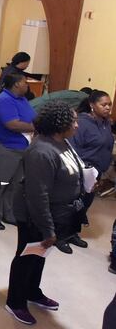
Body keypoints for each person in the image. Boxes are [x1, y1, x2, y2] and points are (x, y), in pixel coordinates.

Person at [5, 101, 83, 326]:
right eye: (74, 120)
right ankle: (15, 302)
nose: (77, 125)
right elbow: (38, 196)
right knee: (27, 257)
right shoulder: (41, 151)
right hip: (35, 214)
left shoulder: (63, 142)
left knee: (39, 256)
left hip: (56, 212)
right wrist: (48, 229)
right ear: (60, 124)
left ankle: (32, 291)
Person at [0, 73, 36, 231]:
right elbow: (12, 124)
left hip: (22, 147)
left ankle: (9, 213)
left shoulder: (22, 99)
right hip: (7, 147)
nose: (27, 85)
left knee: (14, 184)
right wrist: (36, 127)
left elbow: (31, 117)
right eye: (25, 82)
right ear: (16, 85)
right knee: (0, 182)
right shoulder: (4, 100)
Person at [66, 90, 113, 252]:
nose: (108, 108)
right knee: (72, 204)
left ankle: (72, 232)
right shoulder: (82, 123)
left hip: (96, 172)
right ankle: (60, 235)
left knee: (85, 204)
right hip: (81, 171)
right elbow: (73, 148)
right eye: (103, 105)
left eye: (109, 104)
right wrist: (83, 171)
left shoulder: (106, 123)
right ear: (92, 105)